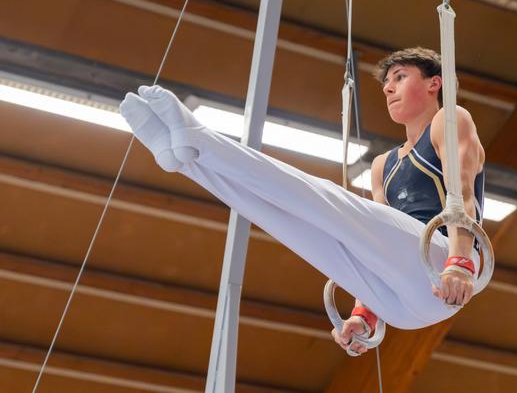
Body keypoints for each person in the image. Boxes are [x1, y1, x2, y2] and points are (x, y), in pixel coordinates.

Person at [119, 47, 485, 357]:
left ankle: (200, 139)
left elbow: (462, 192)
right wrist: (363, 316)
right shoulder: (381, 167)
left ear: (435, 83)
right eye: (386, 83)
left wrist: (460, 263)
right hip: (400, 300)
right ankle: (189, 160)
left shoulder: (450, 121)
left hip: (446, 263)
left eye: (400, 77)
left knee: (321, 201)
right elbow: (377, 244)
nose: (388, 88)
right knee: (288, 219)